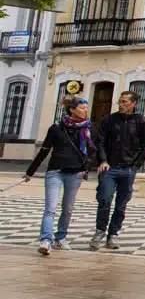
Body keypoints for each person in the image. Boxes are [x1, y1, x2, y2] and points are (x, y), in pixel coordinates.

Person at [24, 97, 99, 255]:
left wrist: (85, 169)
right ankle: (45, 240)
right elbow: (44, 149)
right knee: (50, 208)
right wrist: (30, 171)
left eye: (86, 108)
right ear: (72, 109)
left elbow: (92, 152)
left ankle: (61, 237)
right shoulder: (56, 128)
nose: (85, 110)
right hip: (55, 172)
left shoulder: (88, 129)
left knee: (68, 209)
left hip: (75, 173)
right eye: (82, 107)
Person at [91, 90, 145, 250]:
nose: (122, 105)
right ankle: (99, 231)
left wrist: (135, 165)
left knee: (121, 204)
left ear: (133, 104)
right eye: (120, 101)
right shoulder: (109, 120)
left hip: (128, 169)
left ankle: (113, 234)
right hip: (109, 167)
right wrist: (103, 160)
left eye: (125, 102)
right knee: (104, 199)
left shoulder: (141, 121)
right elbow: (101, 142)